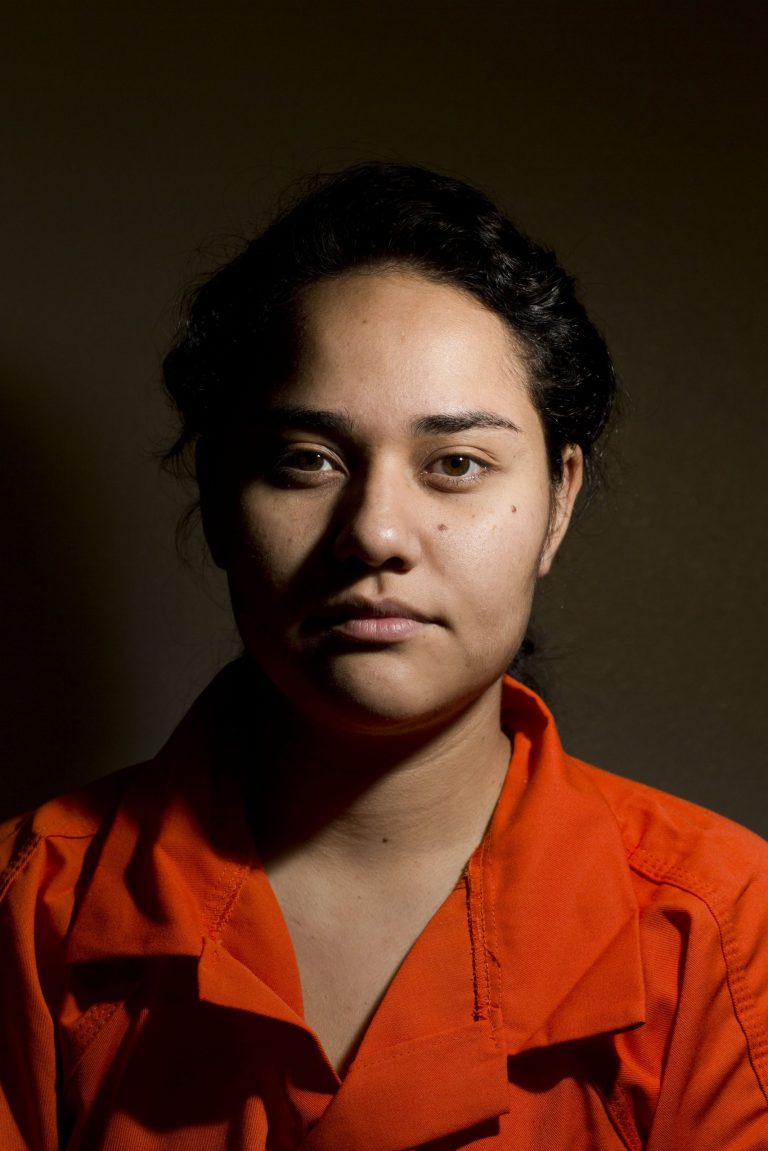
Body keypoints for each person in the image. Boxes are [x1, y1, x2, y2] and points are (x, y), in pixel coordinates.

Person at [1, 163, 767, 1151]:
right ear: (220, 492)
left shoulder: (724, 930)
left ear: (558, 501)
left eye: (456, 464)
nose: (374, 532)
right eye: (308, 460)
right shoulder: (28, 910)